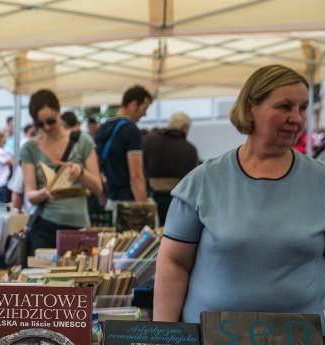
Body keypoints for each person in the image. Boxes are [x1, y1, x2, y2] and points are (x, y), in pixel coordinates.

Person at [154, 64, 325, 328]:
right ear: (249, 110)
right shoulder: (202, 182)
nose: (297, 118)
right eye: (284, 107)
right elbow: (174, 262)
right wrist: (164, 338)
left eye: (302, 108)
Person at [21, 89, 103, 254]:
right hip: (44, 226)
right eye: (39, 124)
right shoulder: (30, 147)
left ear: (58, 112)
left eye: (50, 121)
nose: (46, 127)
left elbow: (98, 188)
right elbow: (29, 195)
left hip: (78, 227)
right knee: (41, 277)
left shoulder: (82, 141)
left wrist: (80, 171)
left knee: (78, 278)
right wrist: (46, 192)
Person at [94, 85, 153, 216]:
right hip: (131, 204)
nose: (145, 114)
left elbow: (97, 171)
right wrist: (143, 211)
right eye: (145, 108)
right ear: (133, 105)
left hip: (111, 201)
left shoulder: (101, 129)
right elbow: (136, 176)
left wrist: (104, 199)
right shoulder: (131, 130)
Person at [142, 111, 199, 226]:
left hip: (150, 197)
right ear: (184, 128)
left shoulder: (148, 141)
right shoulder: (190, 149)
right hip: (178, 200)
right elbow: (193, 181)